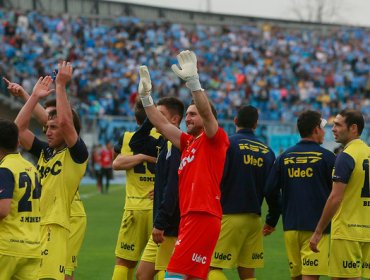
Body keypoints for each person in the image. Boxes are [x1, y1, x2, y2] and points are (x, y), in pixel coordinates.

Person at [138, 50, 230, 280]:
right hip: (191, 216)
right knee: (192, 276)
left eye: (192, 114)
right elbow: (160, 123)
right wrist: (146, 98)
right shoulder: (188, 143)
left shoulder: (214, 139)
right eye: (186, 114)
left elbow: (208, 116)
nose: (187, 118)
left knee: (174, 274)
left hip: (202, 215)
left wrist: (194, 84)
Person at [4, 79, 88, 280]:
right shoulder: (45, 151)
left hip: (54, 226)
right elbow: (18, 131)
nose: (47, 132)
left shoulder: (76, 154)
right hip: (33, 227)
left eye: (53, 128)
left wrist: (60, 85)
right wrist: (32, 97)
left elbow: (67, 123)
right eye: (46, 127)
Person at [208, 105, 280, 280]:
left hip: (228, 214)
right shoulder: (268, 152)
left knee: (212, 268)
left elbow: (215, 178)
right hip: (254, 220)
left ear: (235, 121)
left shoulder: (227, 144)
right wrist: (271, 220)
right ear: (256, 125)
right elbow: (273, 190)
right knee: (247, 274)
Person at [265, 110, 336, 280]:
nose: (325, 131)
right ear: (316, 129)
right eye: (323, 127)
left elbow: (269, 189)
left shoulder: (284, 157)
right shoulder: (328, 158)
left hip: (290, 227)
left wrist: (273, 218)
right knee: (310, 277)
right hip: (317, 230)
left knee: (296, 277)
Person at [309, 109, 370, 279]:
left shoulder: (346, 155)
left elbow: (335, 197)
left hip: (347, 232)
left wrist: (319, 230)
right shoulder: (368, 152)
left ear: (353, 128)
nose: (333, 129)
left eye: (338, 124)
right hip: (367, 232)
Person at [133, 97, 184, 280]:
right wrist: (152, 117)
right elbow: (136, 143)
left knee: (171, 275)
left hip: (170, 225)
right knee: (142, 275)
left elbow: (174, 188)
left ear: (174, 120)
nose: (155, 118)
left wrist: (161, 222)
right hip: (162, 223)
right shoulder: (164, 142)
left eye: (160, 115)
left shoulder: (175, 146)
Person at [111, 99, 159, 280]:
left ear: (136, 118)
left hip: (134, 208)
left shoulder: (126, 138)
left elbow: (115, 161)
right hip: (158, 209)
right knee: (161, 263)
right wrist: (146, 157)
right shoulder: (166, 137)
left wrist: (138, 157)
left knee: (124, 262)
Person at [0, 119, 42, 280]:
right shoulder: (32, 169)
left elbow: (3, 210)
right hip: (32, 247)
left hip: (7, 247)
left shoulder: (4, 169)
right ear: (18, 142)